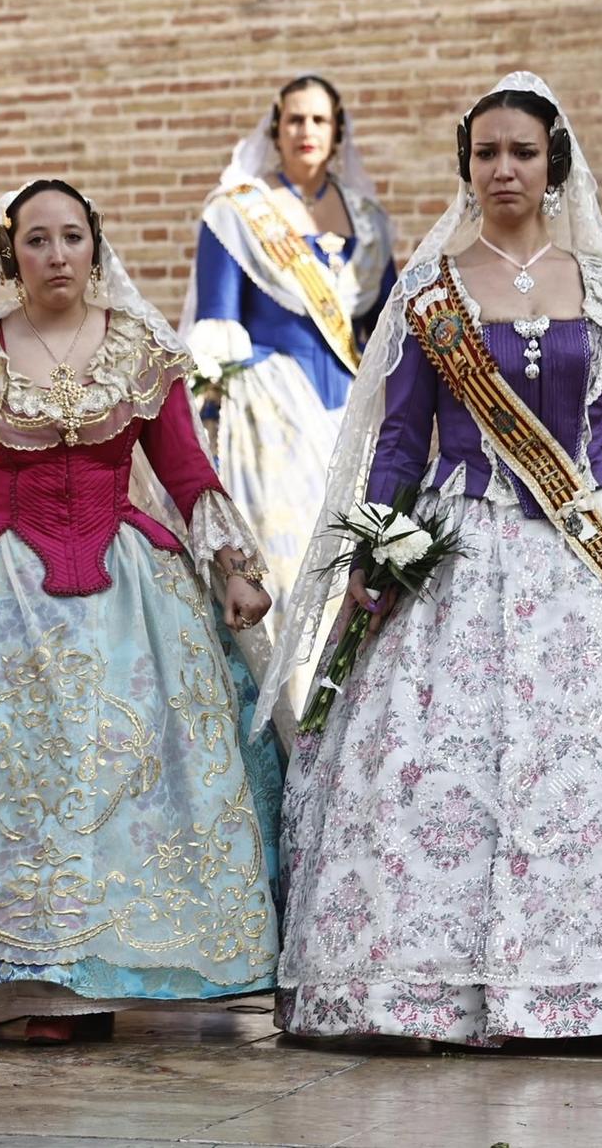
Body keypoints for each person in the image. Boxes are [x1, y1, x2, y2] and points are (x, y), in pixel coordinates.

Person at [267, 72, 602, 1047]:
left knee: (583, 772)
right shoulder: (431, 292)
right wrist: (372, 541)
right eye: (484, 152)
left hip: (591, 559)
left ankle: (594, 979)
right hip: (462, 553)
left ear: (552, 163)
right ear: (465, 166)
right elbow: (400, 438)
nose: (501, 169)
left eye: (520, 152)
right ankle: (427, 986)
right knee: (450, 768)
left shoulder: (600, 285)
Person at [0, 180, 283, 1044]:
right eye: (37, 240)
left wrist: (233, 568)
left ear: (95, 247)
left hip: (132, 592)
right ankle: (35, 975)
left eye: (71, 238)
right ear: (9, 253)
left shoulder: (141, 350)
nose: (57, 255)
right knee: (21, 774)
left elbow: (186, 472)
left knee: (124, 770)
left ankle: (120, 960)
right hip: (1, 595)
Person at [182, 75, 396, 726]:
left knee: (357, 571)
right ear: (275, 128)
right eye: (294, 119)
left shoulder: (368, 221)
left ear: (337, 134)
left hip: (353, 421)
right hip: (272, 422)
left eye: (319, 120)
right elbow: (215, 324)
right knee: (298, 568)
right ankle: (294, 722)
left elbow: (387, 328)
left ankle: (358, 727)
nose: (306, 131)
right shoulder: (237, 211)